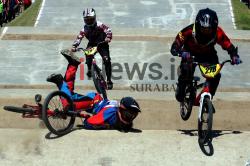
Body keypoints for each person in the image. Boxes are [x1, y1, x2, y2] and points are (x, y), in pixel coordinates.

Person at [46, 49, 141, 132]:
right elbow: (89, 123)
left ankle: (73, 65)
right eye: (128, 115)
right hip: (93, 101)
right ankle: (60, 81)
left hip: (95, 101)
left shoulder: (118, 117)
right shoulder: (111, 113)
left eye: (133, 115)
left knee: (69, 96)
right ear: (120, 109)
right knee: (69, 105)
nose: (130, 118)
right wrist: (103, 125)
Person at [170, 8, 242, 103]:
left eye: (208, 29)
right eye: (203, 28)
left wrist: (234, 55)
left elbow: (227, 44)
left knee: (215, 76)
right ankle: (181, 86)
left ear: (214, 26)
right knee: (184, 77)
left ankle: (207, 100)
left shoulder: (218, 32)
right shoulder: (188, 31)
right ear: (198, 24)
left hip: (208, 55)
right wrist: (179, 52)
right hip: (189, 55)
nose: (205, 31)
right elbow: (176, 43)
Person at [71, 8, 113, 90]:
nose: (89, 22)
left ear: (95, 18)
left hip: (102, 44)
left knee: (107, 60)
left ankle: (109, 81)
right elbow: (79, 37)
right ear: (84, 20)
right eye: (87, 20)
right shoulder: (84, 29)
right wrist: (74, 46)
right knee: (88, 55)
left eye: (91, 19)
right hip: (92, 44)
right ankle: (90, 68)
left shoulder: (100, 25)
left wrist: (108, 37)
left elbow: (108, 30)